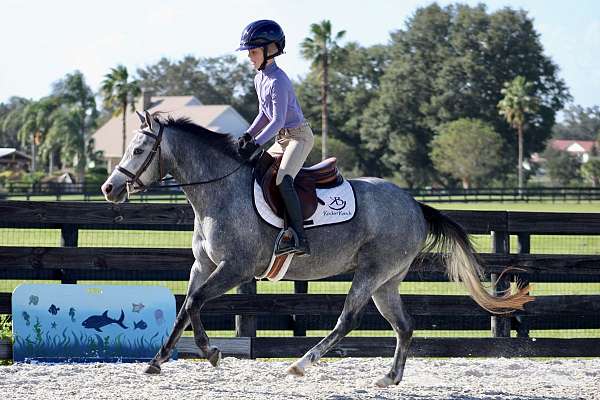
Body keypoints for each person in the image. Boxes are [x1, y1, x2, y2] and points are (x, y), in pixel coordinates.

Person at [236, 19, 314, 257]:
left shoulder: (278, 80)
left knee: (283, 180)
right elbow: (263, 113)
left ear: (270, 50)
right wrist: (248, 135)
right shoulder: (260, 78)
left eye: (253, 51)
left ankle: (299, 237)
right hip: (282, 140)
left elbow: (278, 120)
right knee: (257, 172)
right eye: (249, 52)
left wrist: (258, 143)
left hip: (298, 138)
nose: (250, 56)